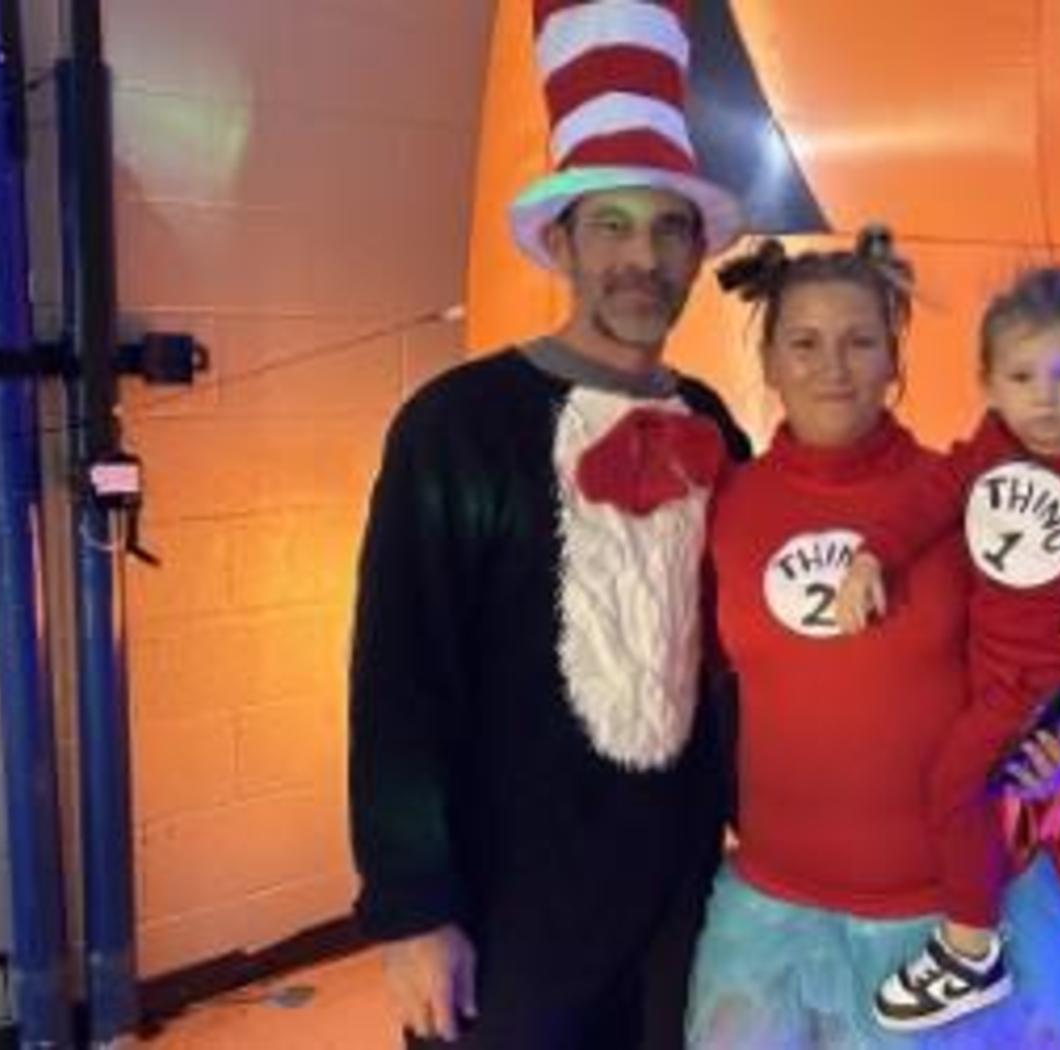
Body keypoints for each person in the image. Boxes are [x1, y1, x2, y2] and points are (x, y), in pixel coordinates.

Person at [346, 3, 752, 1045]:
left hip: (677, 891)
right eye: (611, 225)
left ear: (699, 254)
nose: (641, 258)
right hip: (508, 893)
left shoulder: (713, 424)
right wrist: (415, 909)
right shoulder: (454, 428)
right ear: (561, 243)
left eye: (668, 228)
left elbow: (756, 652)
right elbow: (398, 684)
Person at [689, 232, 1060, 1049]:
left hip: (934, 921)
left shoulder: (969, 500)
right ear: (768, 360)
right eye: (806, 343)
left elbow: (1059, 654)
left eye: (861, 341)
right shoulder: (725, 505)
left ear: (895, 358)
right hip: (770, 909)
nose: (833, 367)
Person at [832, 266, 1060, 1031]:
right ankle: (969, 905)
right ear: (988, 383)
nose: (1045, 396)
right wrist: (868, 556)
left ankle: (970, 948)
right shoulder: (989, 449)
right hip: (983, 664)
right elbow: (923, 503)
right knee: (955, 783)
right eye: (1023, 376)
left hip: (1041, 677)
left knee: (953, 785)